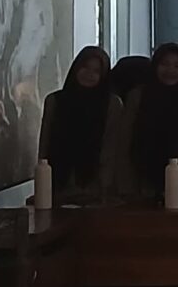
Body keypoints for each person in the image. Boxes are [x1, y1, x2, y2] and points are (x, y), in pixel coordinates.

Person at [121, 42, 178, 202]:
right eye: (164, 64)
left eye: (177, 66)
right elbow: (126, 138)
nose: (170, 71)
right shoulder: (139, 96)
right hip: (140, 179)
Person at [37, 45, 124, 203]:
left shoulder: (111, 104)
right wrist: (43, 187)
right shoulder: (55, 101)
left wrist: (104, 188)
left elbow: (111, 148)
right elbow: (45, 146)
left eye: (96, 71)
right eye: (85, 67)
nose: (89, 74)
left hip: (96, 188)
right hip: (59, 187)